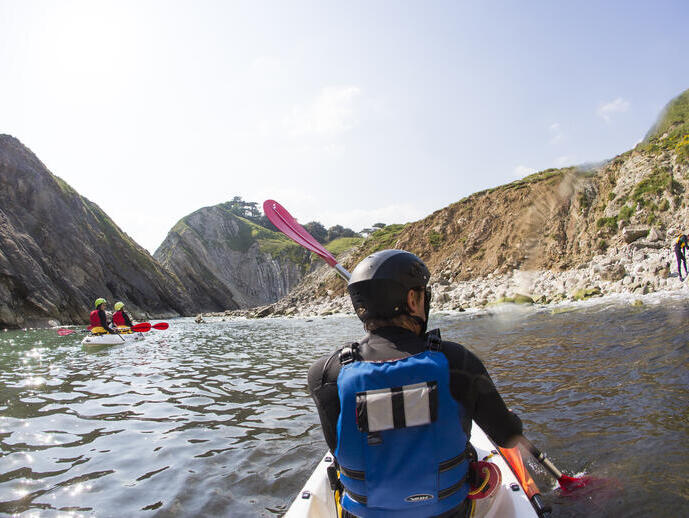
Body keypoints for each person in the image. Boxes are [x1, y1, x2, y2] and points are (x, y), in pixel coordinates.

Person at [307, 250, 523, 518]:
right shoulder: (458, 361)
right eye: (423, 293)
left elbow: (337, 451)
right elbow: (508, 436)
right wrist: (511, 420)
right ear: (412, 299)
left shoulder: (325, 373)